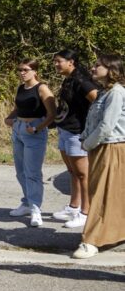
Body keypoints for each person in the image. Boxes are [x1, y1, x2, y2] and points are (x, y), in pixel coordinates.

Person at [73, 54, 125, 259]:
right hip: (100, 147)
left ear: (111, 70)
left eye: (97, 66)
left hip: (111, 147)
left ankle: (91, 240)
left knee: (104, 194)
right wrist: (86, 138)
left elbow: (106, 126)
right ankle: (110, 232)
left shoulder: (117, 93)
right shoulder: (105, 92)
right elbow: (94, 121)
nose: (93, 69)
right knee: (103, 193)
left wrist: (87, 143)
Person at [4, 59, 57, 227]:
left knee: (32, 172)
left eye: (26, 69)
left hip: (34, 131)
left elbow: (52, 113)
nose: (22, 72)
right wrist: (10, 118)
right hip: (18, 129)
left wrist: (37, 128)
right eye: (20, 69)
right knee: (20, 171)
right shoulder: (21, 88)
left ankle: (35, 208)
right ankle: (27, 202)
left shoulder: (42, 88)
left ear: (35, 71)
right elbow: (19, 107)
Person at [51, 49, 99, 229]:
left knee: (83, 174)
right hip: (66, 130)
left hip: (78, 133)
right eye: (55, 61)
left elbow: (97, 101)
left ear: (71, 62)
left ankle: (86, 213)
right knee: (72, 171)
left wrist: (91, 126)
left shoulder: (82, 81)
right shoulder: (70, 79)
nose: (56, 65)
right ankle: (74, 206)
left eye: (59, 61)